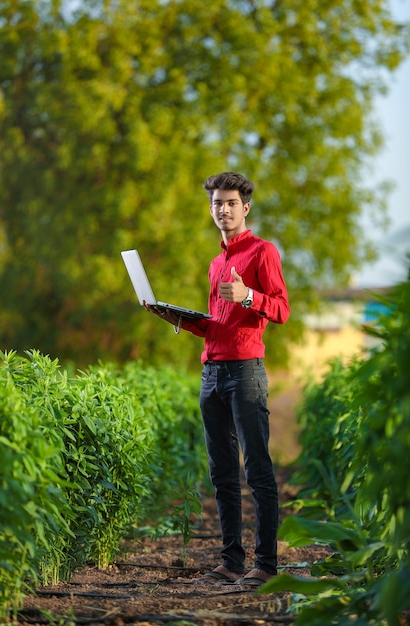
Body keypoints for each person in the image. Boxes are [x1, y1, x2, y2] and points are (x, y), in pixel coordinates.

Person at [144, 172, 290, 587]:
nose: (222, 209)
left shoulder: (263, 253)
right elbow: (216, 326)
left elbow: (281, 310)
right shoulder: (216, 263)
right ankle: (231, 562)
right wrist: (176, 318)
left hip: (246, 373)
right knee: (221, 473)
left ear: (245, 207)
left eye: (230, 203)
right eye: (216, 204)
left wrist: (248, 296)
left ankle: (266, 565)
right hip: (211, 373)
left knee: (257, 470)